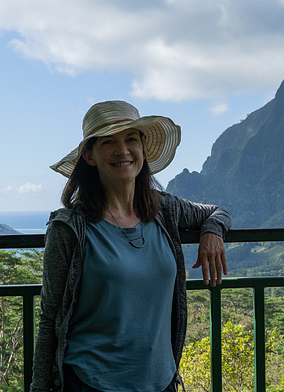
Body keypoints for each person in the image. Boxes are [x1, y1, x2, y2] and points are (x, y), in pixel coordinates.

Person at [30, 100, 232, 392]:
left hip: (161, 382)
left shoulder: (164, 209)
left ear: (143, 148)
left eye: (131, 139)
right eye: (108, 141)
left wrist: (212, 231)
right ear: (89, 155)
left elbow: (217, 212)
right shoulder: (70, 228)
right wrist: (40, 387)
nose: (122, 150)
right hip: (91, 383)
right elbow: (50, 317)